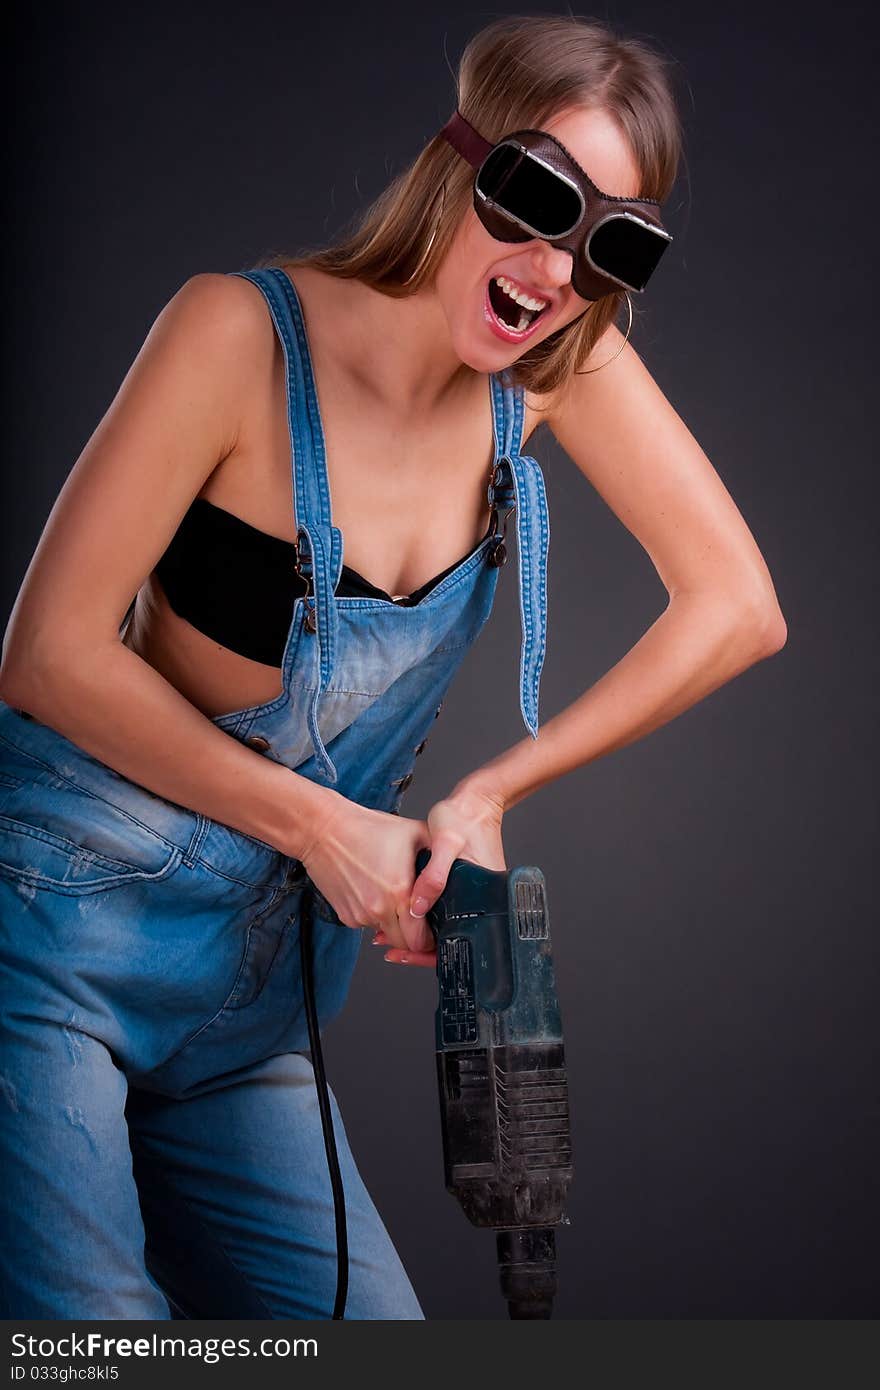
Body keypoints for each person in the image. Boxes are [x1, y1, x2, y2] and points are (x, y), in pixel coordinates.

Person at [0, 14, 786, 1319]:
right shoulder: (238, 335)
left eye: (613, 244)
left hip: (249, 1008)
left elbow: (737, 604)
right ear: (455, 160)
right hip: (54, 932)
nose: (553, 268)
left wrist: (487, 793)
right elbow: (47, 656)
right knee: (99, 1338)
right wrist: (321, 825)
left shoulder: (556, 374)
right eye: (536, 196)